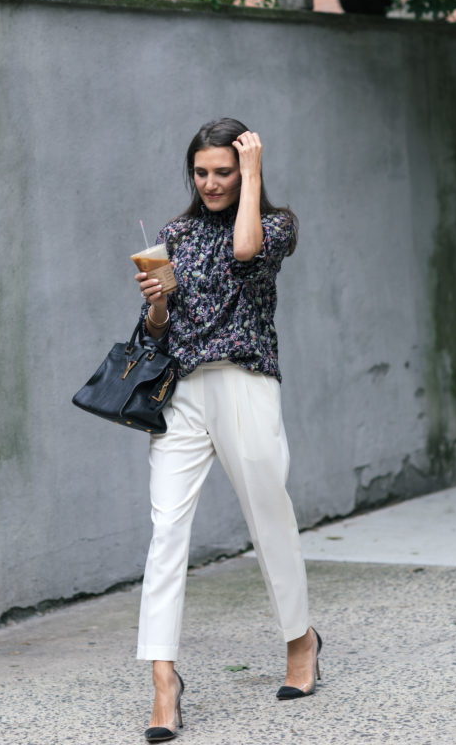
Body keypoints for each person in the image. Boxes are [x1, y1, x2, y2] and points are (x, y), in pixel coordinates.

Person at [134, 117, 321, 742]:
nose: (210, 182)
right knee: (166, 531)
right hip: (183, 392)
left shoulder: (277, 224)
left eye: (223, 171)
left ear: (243, 172)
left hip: (245, 383)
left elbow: (244, 251)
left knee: (270, 516)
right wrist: (157, 299)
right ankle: (163, 680)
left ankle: (300, 639)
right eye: (201, 172)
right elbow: (157, 330)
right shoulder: (175, 233)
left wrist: (255, 173)